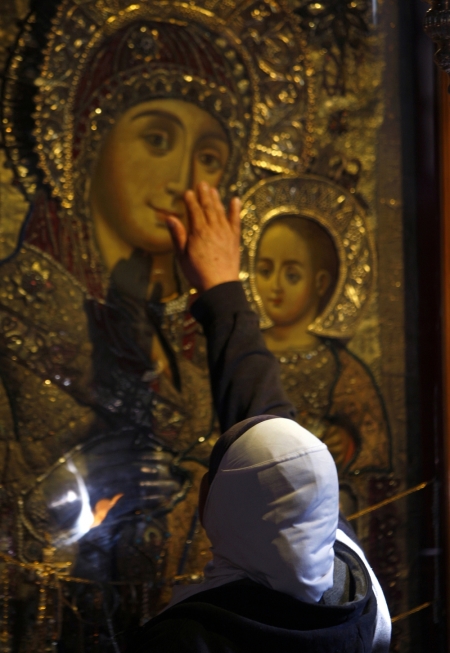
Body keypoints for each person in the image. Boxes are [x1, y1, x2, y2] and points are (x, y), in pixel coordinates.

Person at [130, 181, 391, 652]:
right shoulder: (356, 603)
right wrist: (223, 293)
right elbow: (278, 449)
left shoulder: (185, 639)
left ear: (211, 502)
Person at [254, 214, 391, 479]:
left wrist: (347, 444)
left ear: (320, 283)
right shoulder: (245, 355)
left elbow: (374, 452)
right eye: (265, 271)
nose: (275, 286)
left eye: (291, 275)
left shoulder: (343, 371)